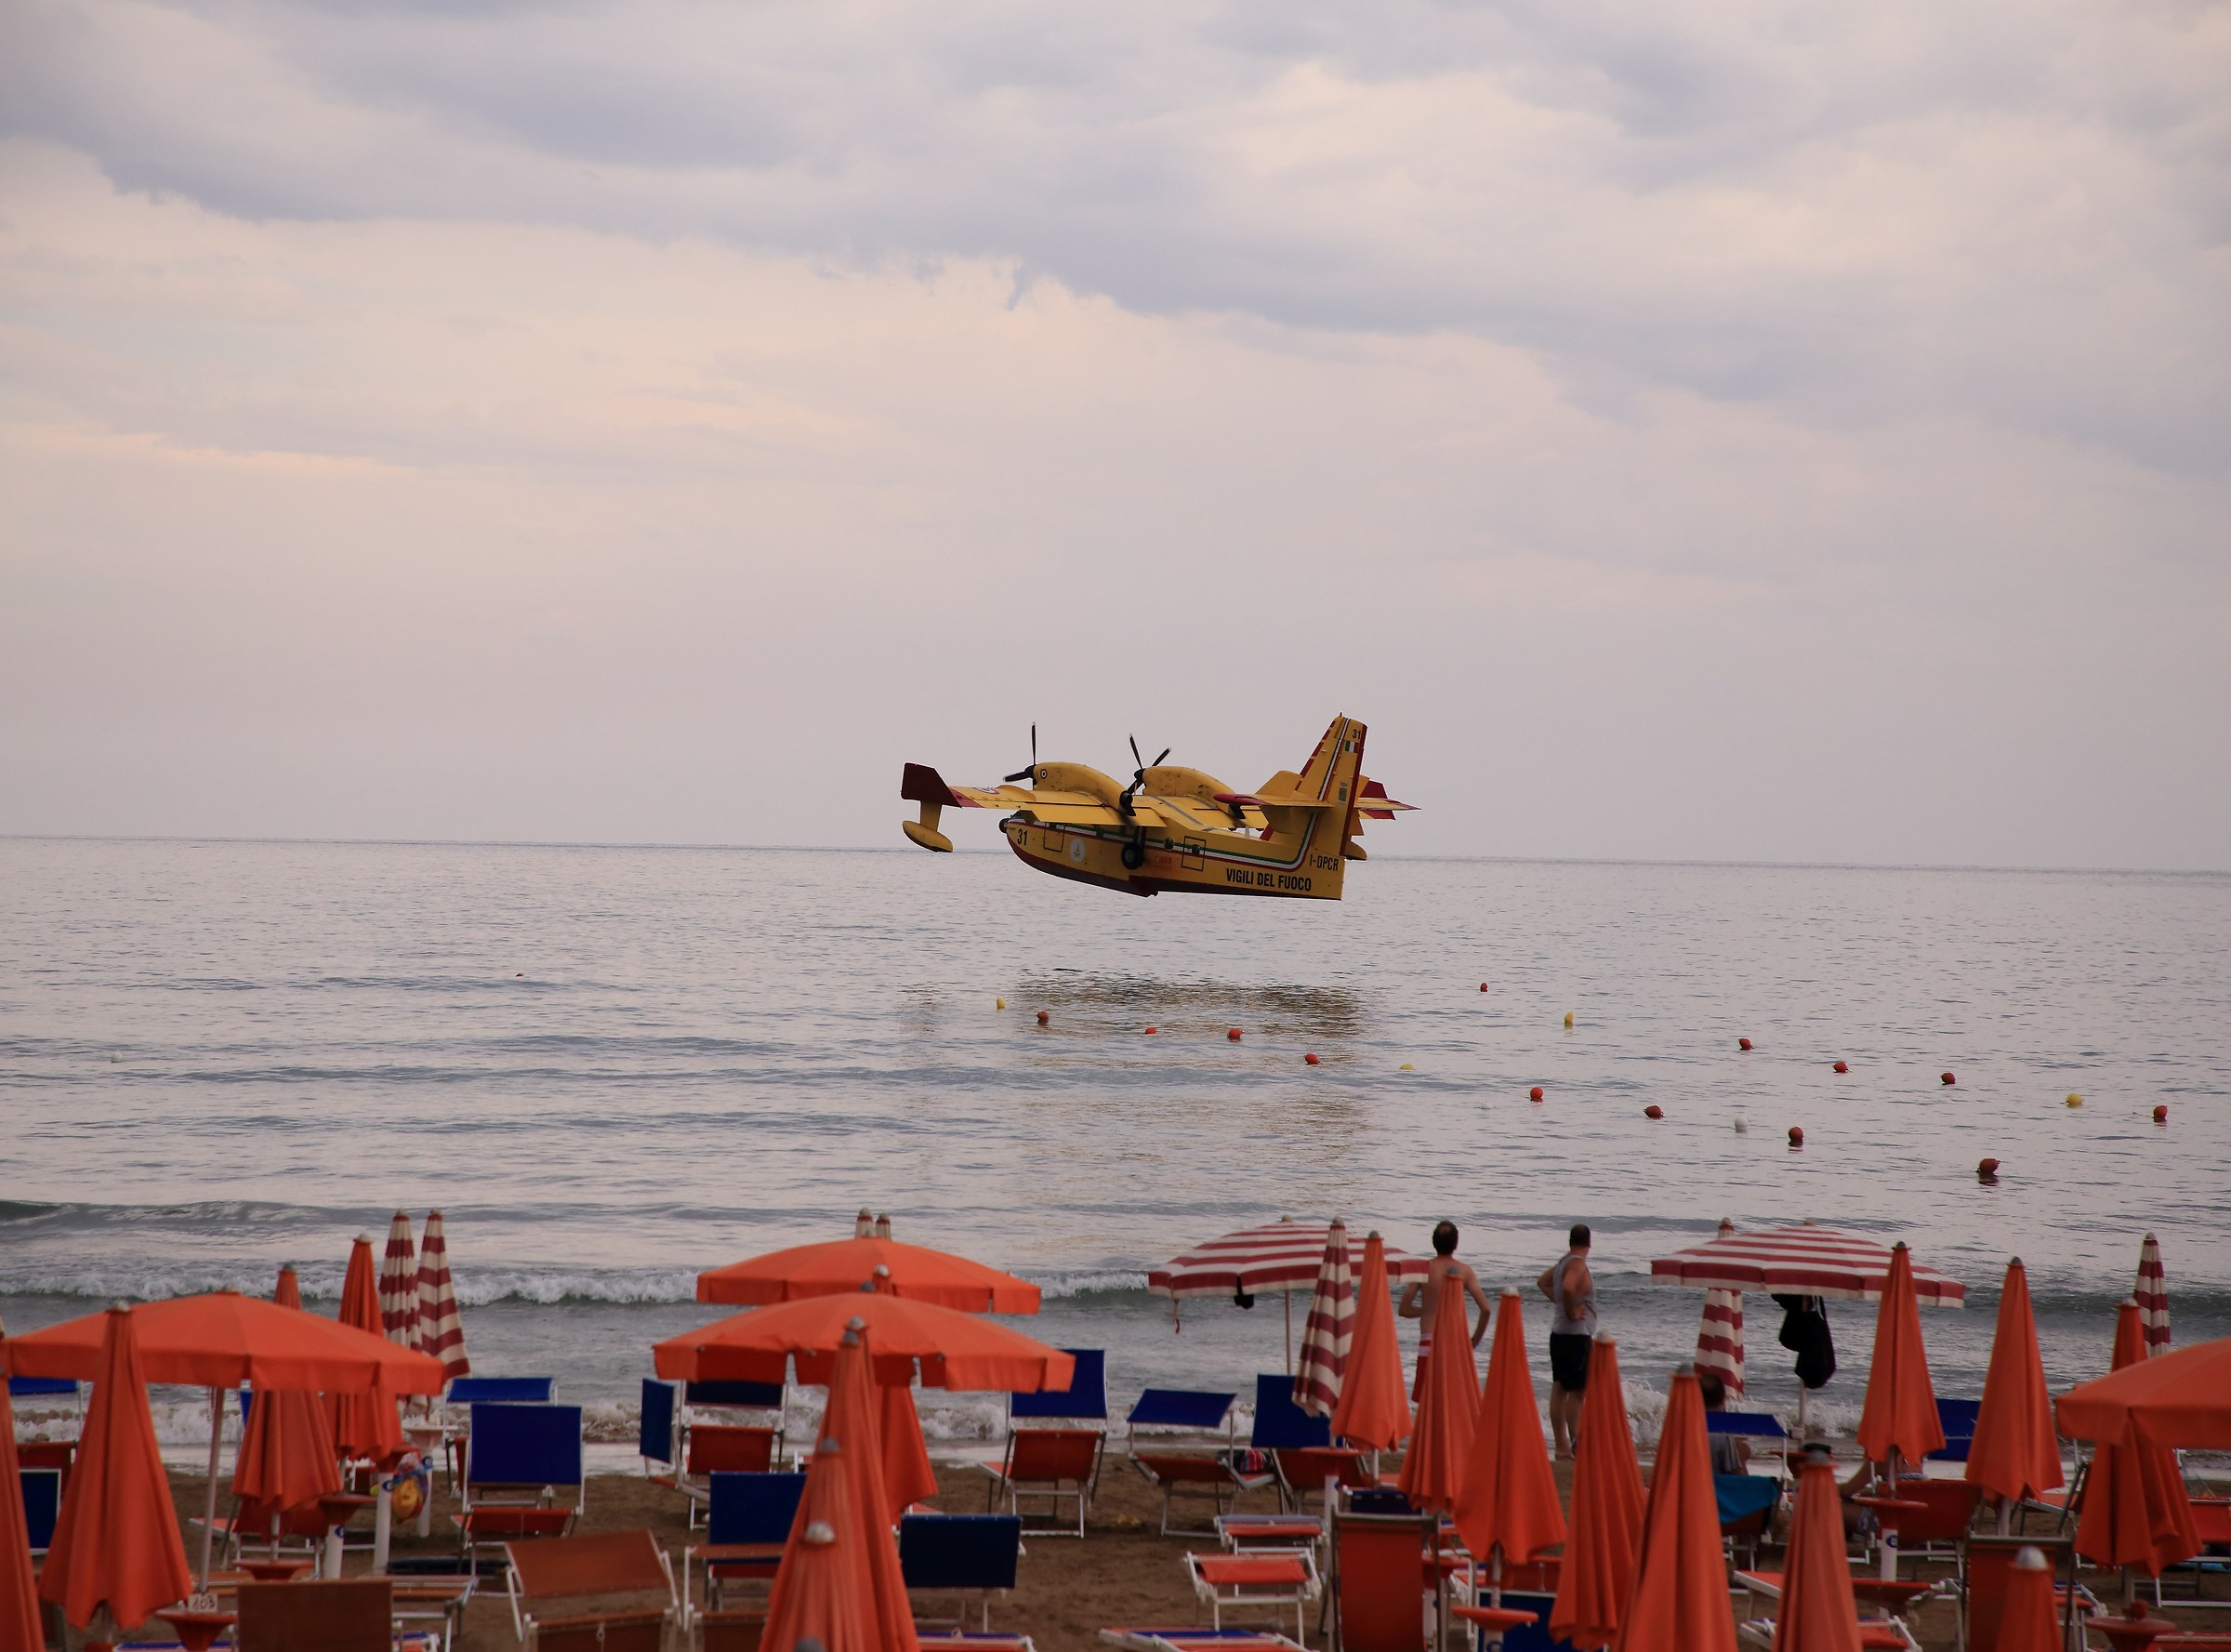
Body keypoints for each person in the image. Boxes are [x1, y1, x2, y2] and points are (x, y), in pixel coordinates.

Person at [1398, 1220, 1492, 1397]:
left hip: (1428, 1343)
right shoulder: (1465, 1271)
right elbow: (1486, 1309)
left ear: (1433, 1242)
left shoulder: (1423, 1269)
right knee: (1453, 1403)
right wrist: (1473, 1341)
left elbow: (1404, 1309)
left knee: (1427, 1405)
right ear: (1456, 1244)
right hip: (1454, 1345)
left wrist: (1427, 1310)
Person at [1536, 1222, 1595, 1460]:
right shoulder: (1578, 1264)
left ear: (1570, 1242)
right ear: (1589, 1243)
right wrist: (1571, 1312)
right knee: (1578, 1392)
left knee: (1559, 1388)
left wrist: (1560, 1303)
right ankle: (1575, 1443)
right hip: (1576, 1336)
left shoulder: (1562, 1263)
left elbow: (1542, 1282)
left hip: (1558, 1334)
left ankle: (1561, 1446)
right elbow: (1569, 1286)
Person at [1697, 1369, 1749, 1474]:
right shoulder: (1724, 1436)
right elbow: (1740, 1481)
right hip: (1717, 1488)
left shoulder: (1685, 1430)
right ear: (1723, 1401)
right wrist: (1741, 1457)